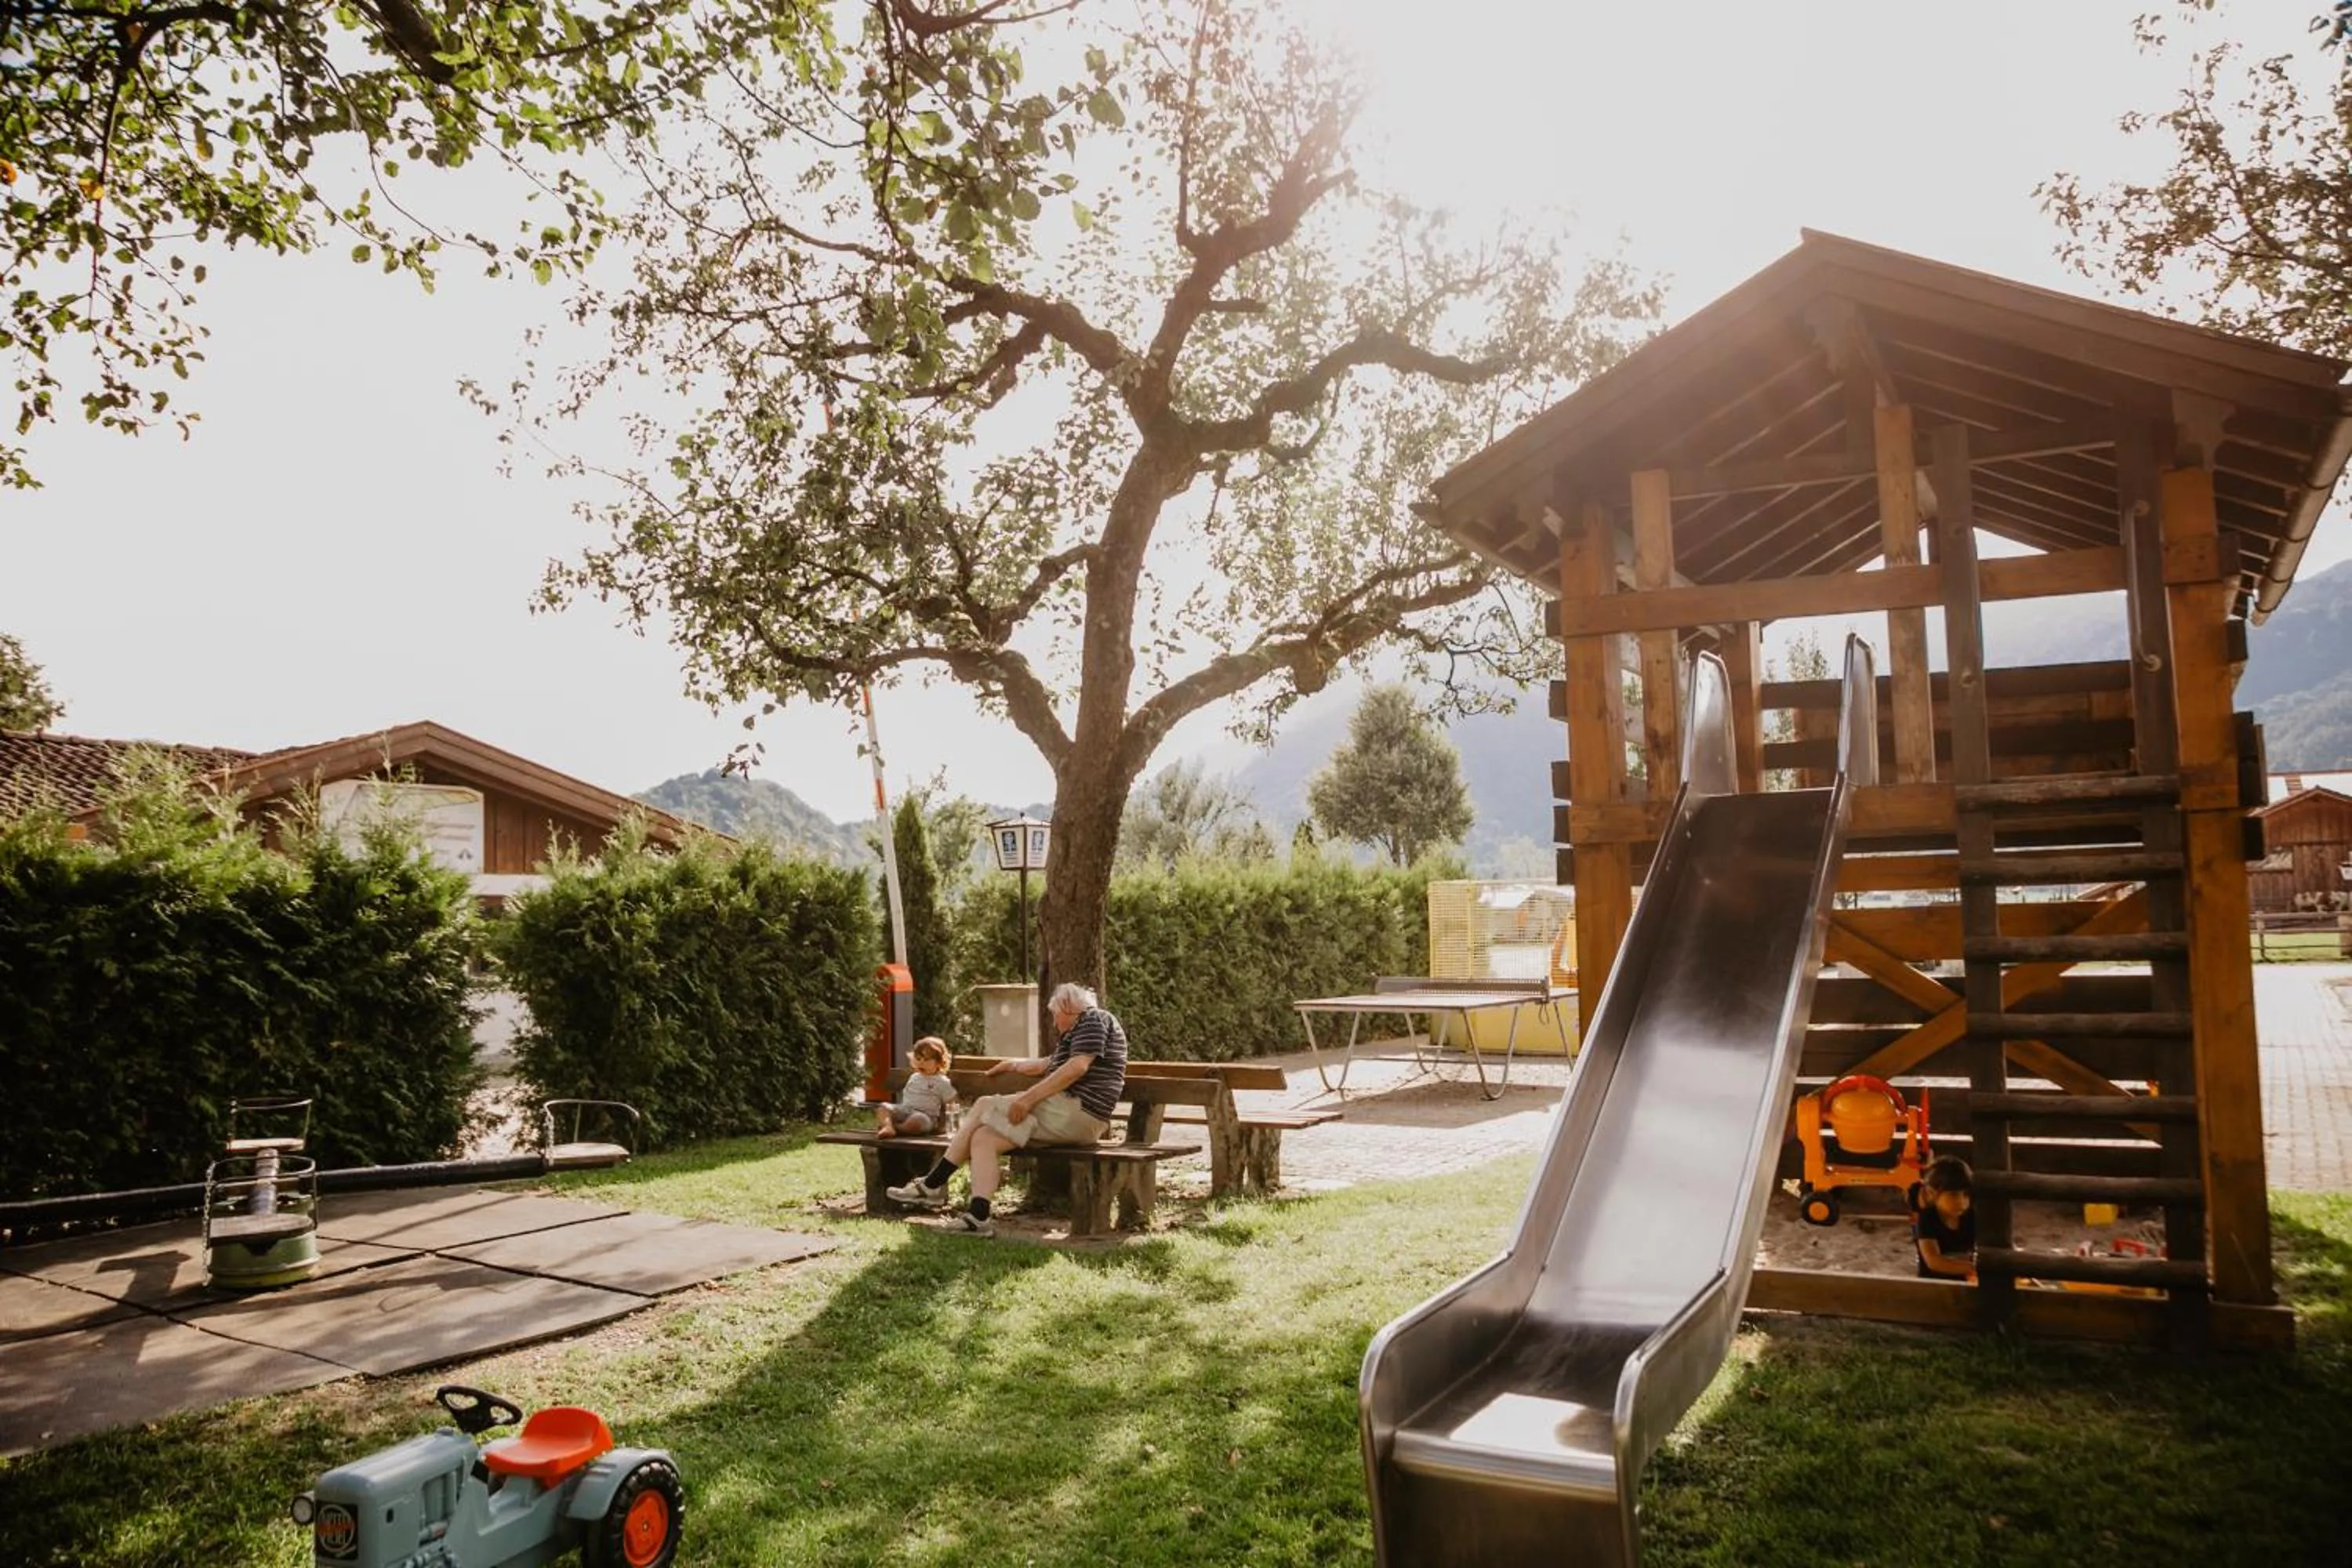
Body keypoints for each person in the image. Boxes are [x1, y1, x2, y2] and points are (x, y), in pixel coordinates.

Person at [886, 981, 1128, 1237]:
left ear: (1069, 1008)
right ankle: (978, 1217)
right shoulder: (1078, 1032)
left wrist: (1026, 1100)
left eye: (1055, 1015)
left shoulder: (1093, 1019)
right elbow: (1047, 1064)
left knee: (983, 1104)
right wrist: (1012, 1065)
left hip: (1078, 1112)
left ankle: (932, 1184)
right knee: (984, 1138)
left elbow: (1077, 1068)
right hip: (1067, 1117)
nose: (1054, 1023)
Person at [1909, 1155, 1976, 1281]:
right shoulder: (1927, 1219)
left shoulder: (1970, 1216)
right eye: (1953, 1195)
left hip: (1965, 1280)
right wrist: (1974, 1268)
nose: (1962, 1202)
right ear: (1932, 1193)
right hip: (1934, 1284)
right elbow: (1934, 1261)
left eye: (1966, 1194)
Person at [875, 1036, 956, 1139]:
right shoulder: (914, 1077)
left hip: (925, 1116)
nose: (921, 1062)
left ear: (939, 1062)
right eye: (918, 1059)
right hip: (906, 1111)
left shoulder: (942, 1082)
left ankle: (897, 1129)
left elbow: (950, 1103)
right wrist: (898, 1112)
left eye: (926, 1060)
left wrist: (942, 1125)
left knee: (917, 1121)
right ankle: (888, 1127)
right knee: (884, 1107)